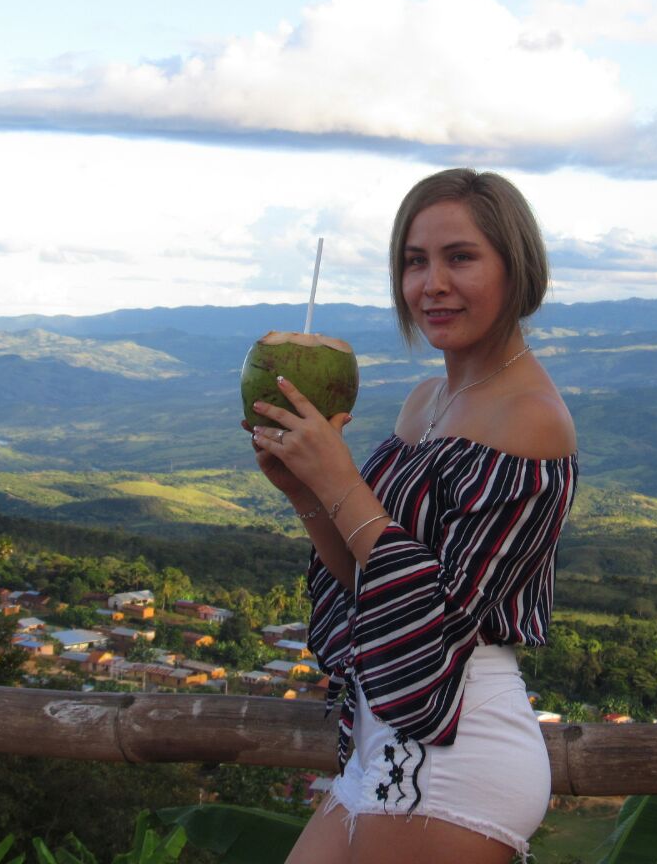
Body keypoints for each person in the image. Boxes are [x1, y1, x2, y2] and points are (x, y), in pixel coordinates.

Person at [246, 168, 578, 863]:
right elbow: (371, 582)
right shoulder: (425, 400)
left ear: (516, 268)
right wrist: (307, 492)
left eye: (461, 258)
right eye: (414, 261)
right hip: (384, 730)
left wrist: (340, 479)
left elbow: (434, 614)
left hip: (456, 734)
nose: (432, 284)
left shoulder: (532, 420)